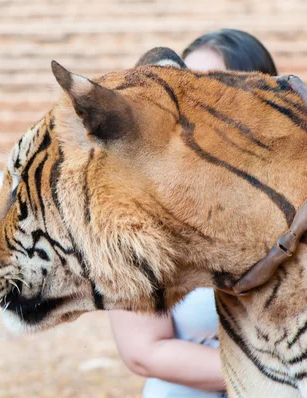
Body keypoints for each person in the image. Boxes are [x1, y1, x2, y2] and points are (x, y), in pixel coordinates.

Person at [108, 29, 278, 398]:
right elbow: (144, 352)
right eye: (183, 88)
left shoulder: (290, 199)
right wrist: (276, 373)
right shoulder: (140, 204)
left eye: (212, 90)